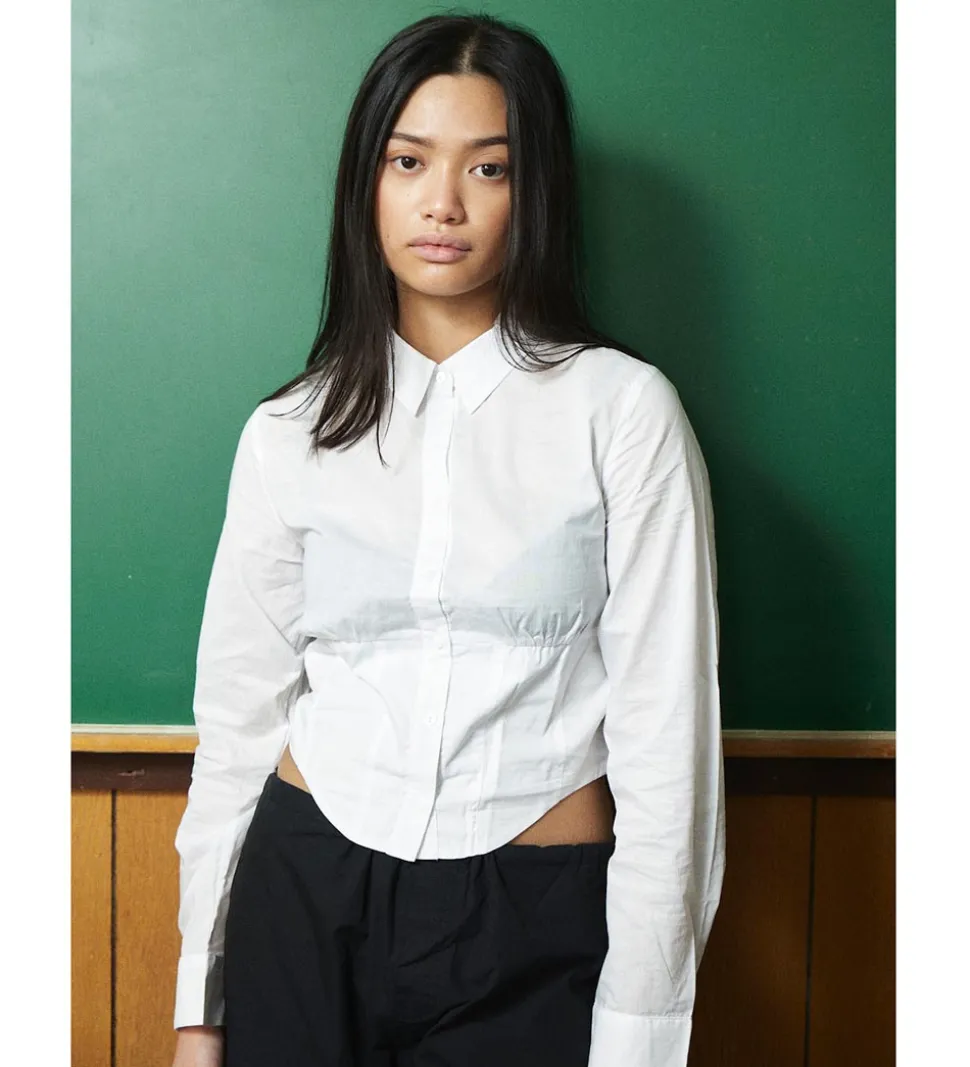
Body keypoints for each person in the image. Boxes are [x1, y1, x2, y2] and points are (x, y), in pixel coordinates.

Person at [171, 12, 725, 1067]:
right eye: (408, 161)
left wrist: (640, 1037)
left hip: (534, 909)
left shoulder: (623, 411)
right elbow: (236, 720)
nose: (442, 203)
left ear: (536, 191)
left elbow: (668, 740)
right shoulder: (288, 429)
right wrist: (200, 1006)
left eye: (489, 167)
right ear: (366, 183)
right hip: (304, 890)